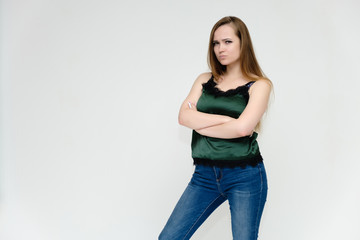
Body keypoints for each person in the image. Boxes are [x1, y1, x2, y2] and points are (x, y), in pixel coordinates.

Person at [159, 16, 272, 240]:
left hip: (245, 176)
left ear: (243, 43)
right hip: (204, 176)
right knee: (169, 237)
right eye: (215, 43)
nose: (220, 48)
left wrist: (200, 122)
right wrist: (226, 120)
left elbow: (243, 129)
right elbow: (183, 117)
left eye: (227, 42)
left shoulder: (260, 85)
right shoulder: (204, 79)